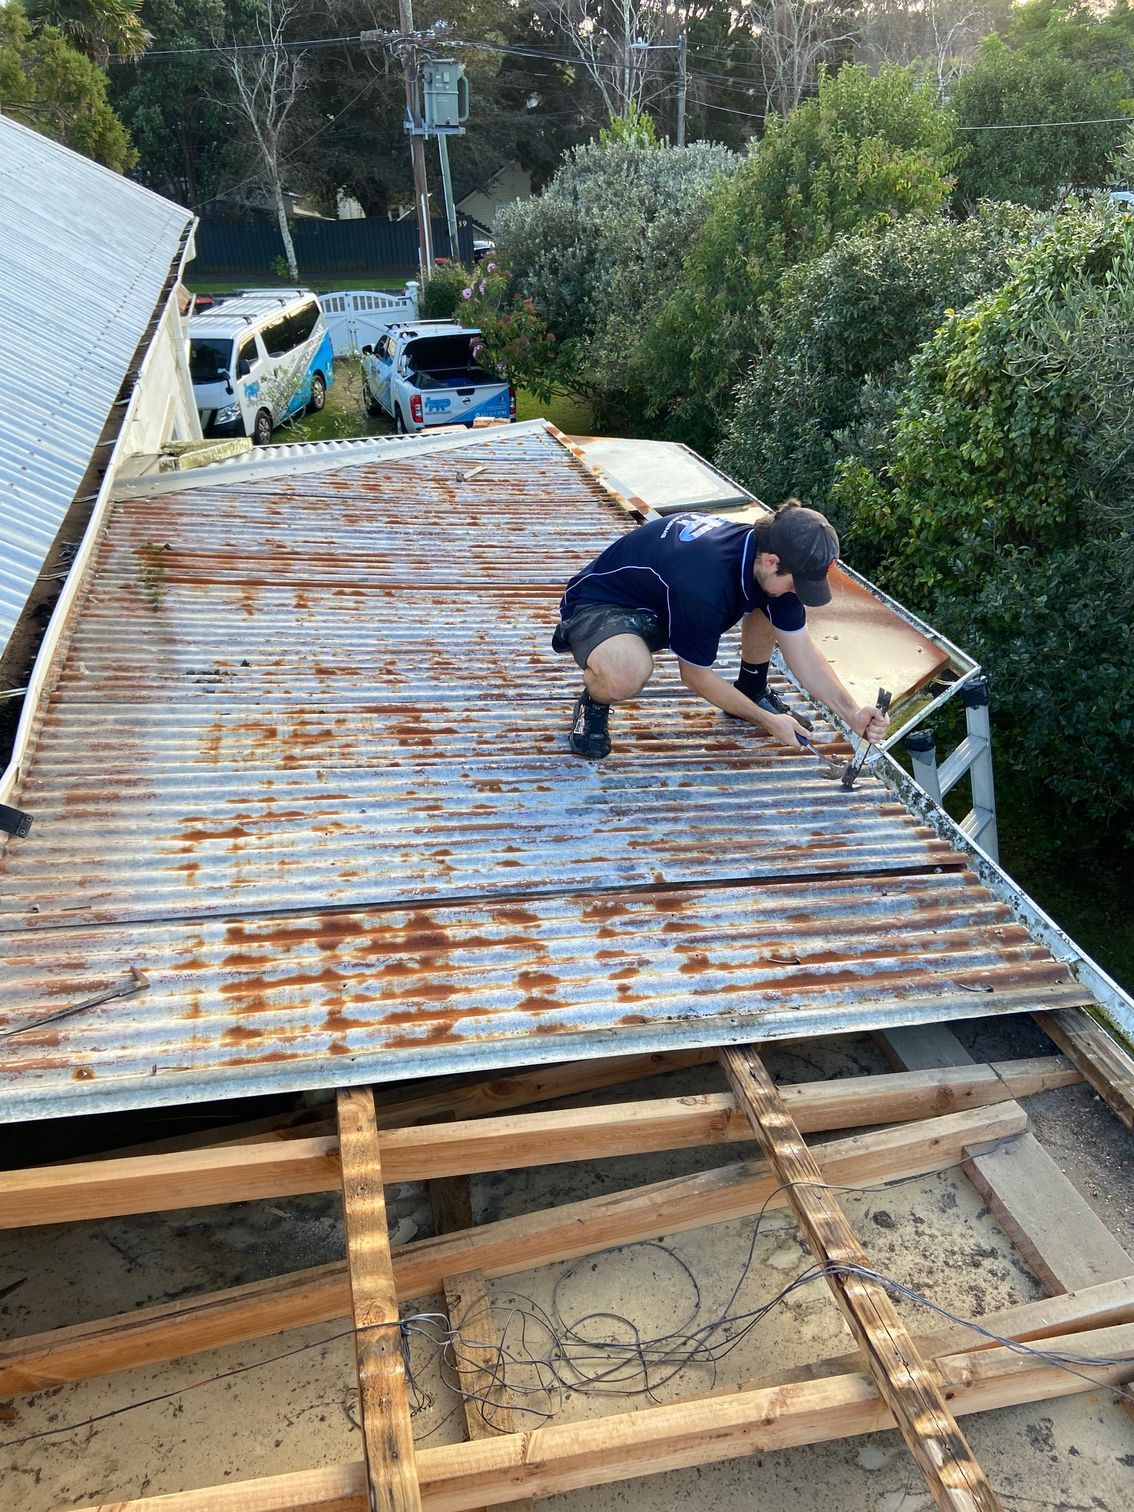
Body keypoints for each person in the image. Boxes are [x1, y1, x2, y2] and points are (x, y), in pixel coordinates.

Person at [552, 499, 891, 760]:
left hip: (665, 601)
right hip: (602, 604)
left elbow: (801, 650)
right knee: (626, 672)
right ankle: (594, 704)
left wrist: (852, 712)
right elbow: (695, 676)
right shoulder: (706, 579)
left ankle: (751, 686)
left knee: (771, 601)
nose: (796, 590)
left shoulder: (765, 557)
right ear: (773, 560)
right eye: (796, 583)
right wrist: (767, 721)